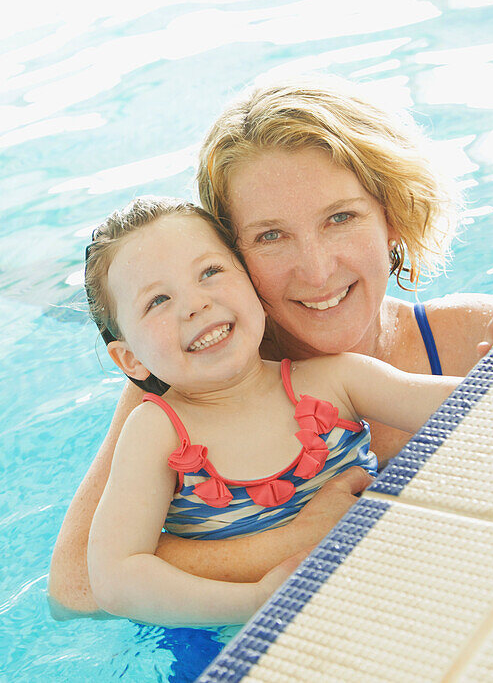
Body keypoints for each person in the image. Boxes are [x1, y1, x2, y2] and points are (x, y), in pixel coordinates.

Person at [49, 76, 493, 616]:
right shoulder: (187, 385)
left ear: (393, 214)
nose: (317, 271)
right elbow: (80, 586)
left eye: (340, 218)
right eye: (270, 236)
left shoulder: (471, 337)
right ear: (237, 255)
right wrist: (292, 547)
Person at [81, 196, 471, 625]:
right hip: (246, 638)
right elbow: (115, 577)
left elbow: (477, 403)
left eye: (210, 272)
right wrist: (254, 601)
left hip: (394, 601)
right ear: (130, 360)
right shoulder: (158, 433)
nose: (195, 304)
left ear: (254, 286)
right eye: (157, 300)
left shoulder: (336, 381)